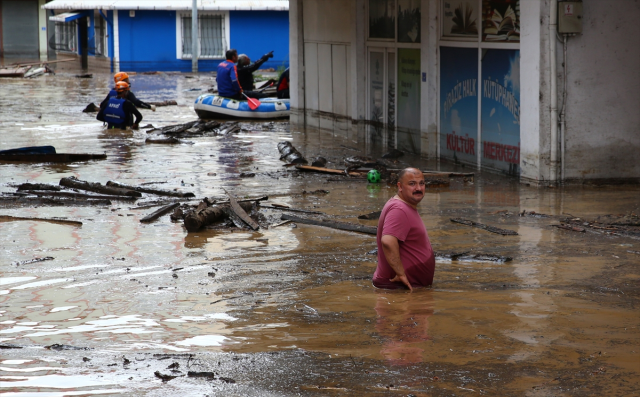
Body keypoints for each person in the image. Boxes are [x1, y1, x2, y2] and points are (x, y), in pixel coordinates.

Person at [373, 167, 435, 290]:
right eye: (412, 184)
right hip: (397, 288)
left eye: (421, 183)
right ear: (400, 186)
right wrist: (401, 274)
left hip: (406, 289)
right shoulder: (399, 209)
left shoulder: (404, 206)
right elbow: (388, 241)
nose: (418, 188)